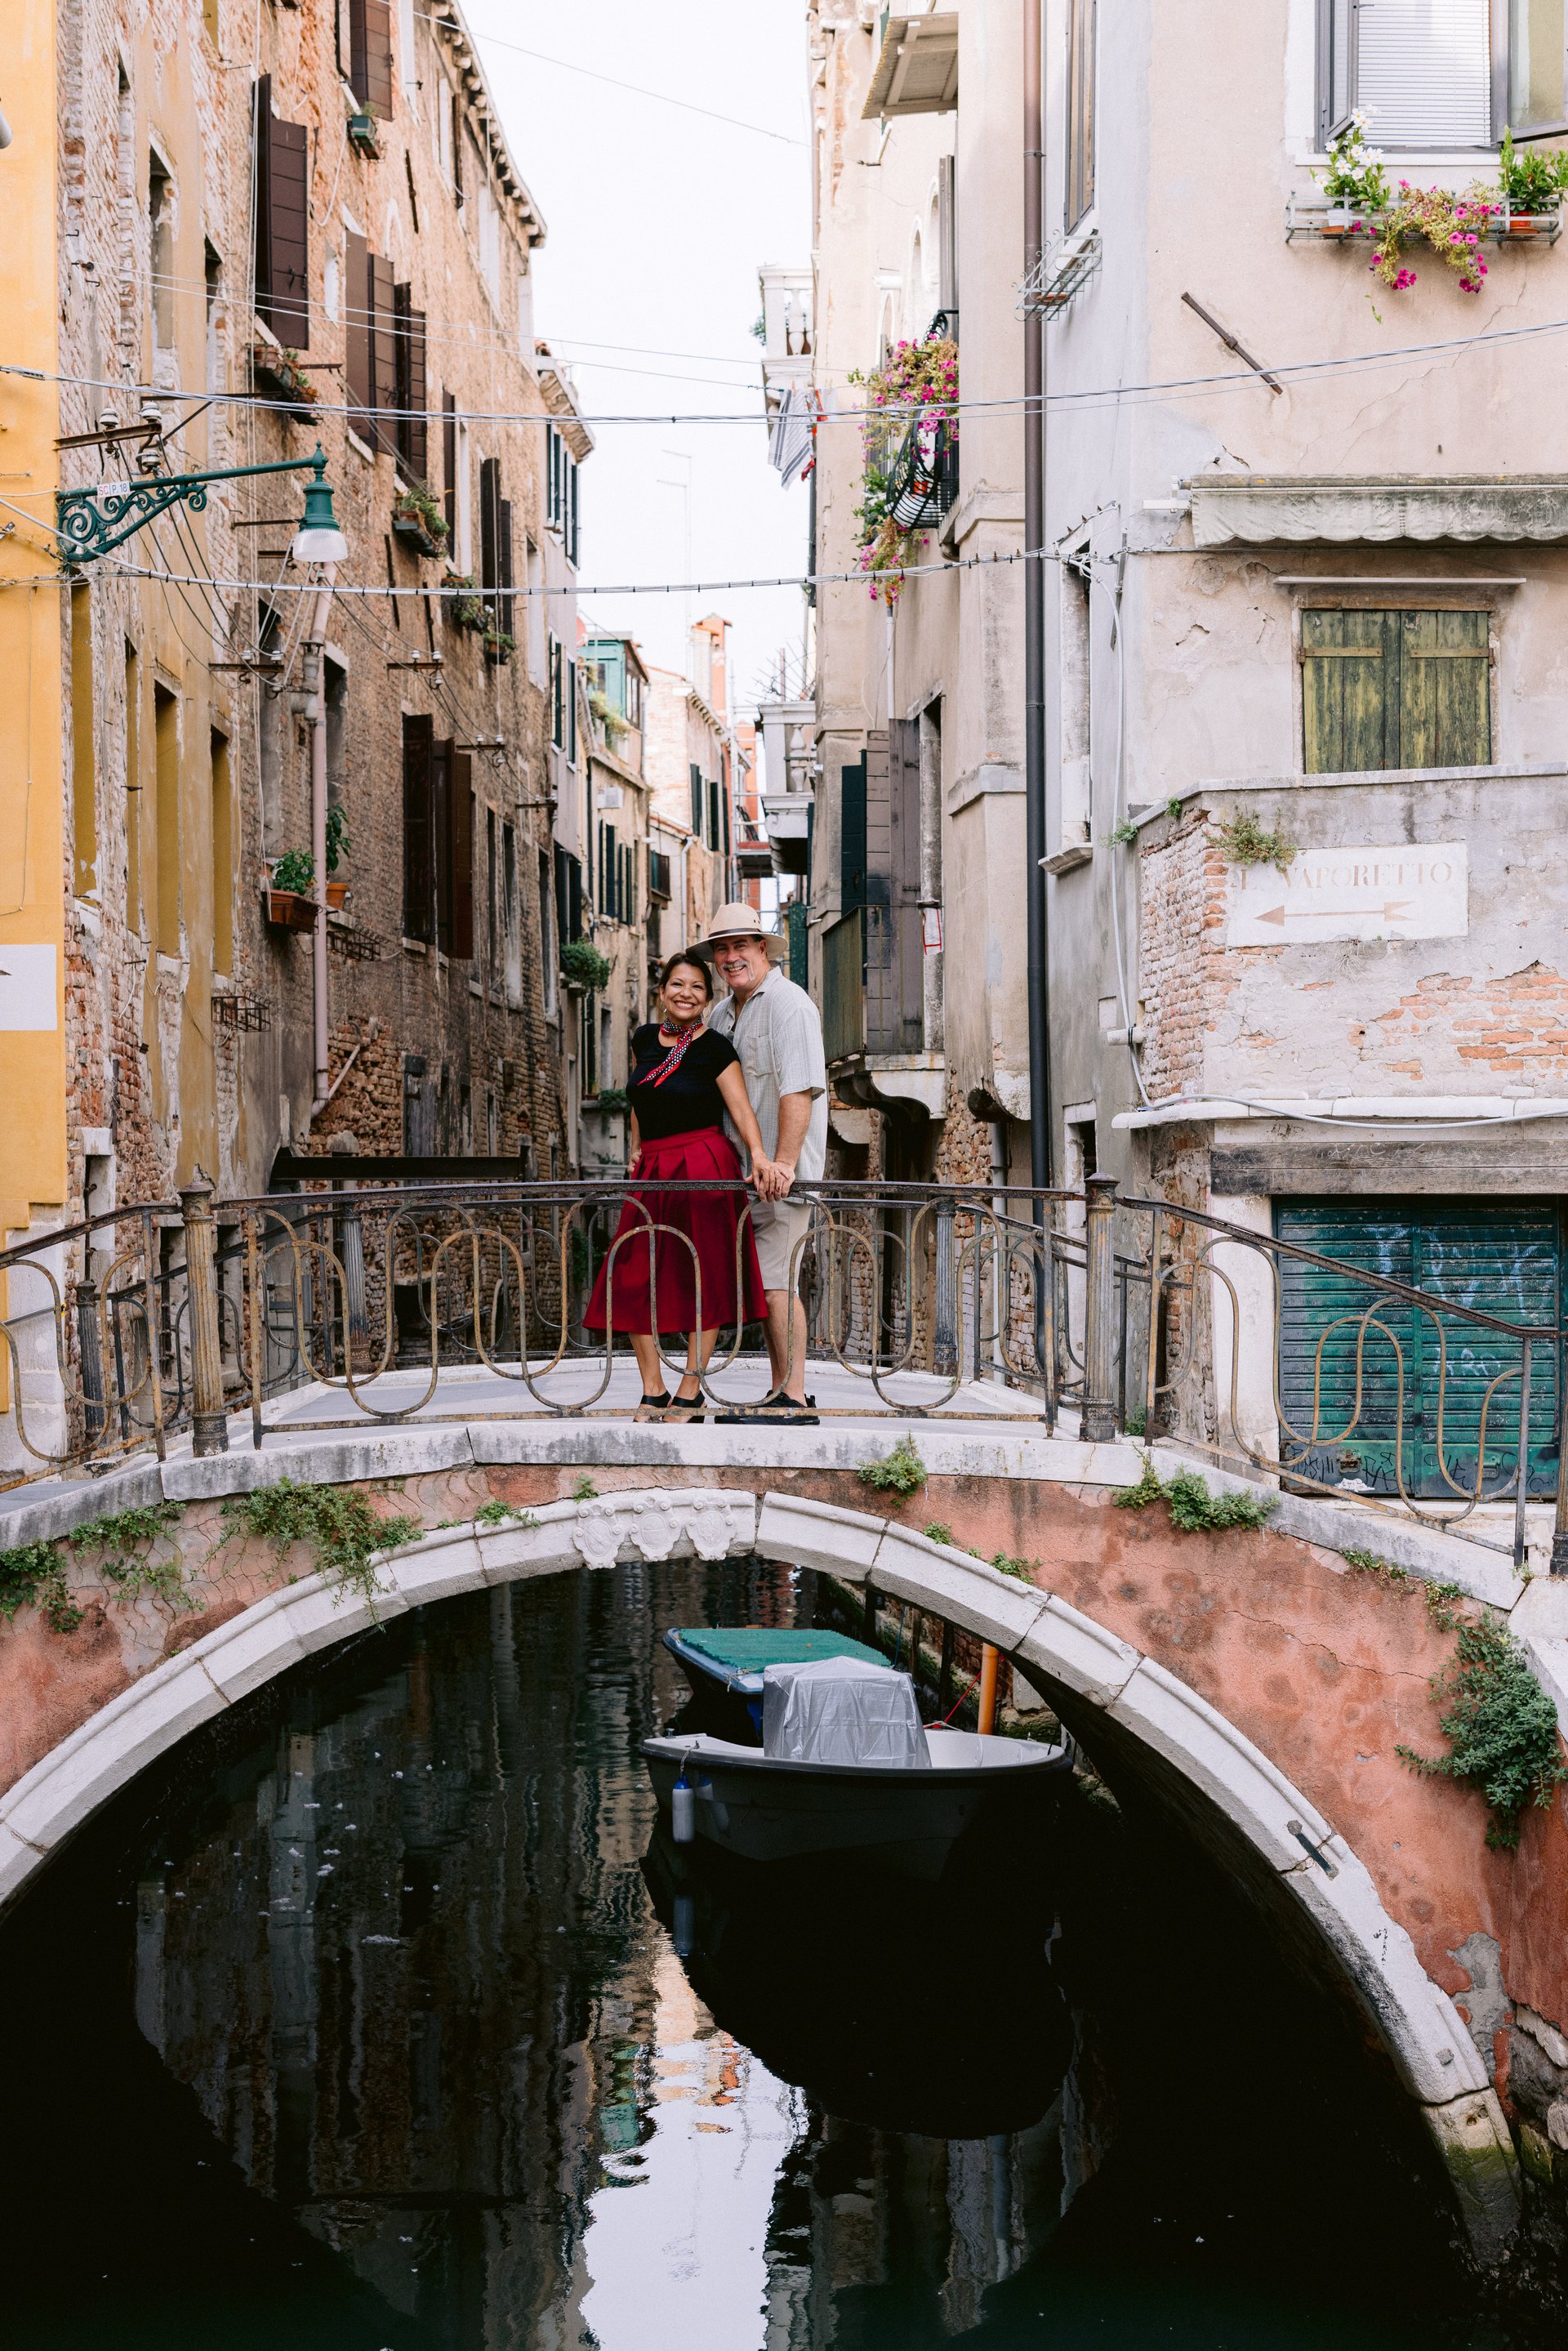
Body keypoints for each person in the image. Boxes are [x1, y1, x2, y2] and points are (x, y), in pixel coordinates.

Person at [582, 949, 774, 1421]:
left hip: (704, 1164)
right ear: (662, 991)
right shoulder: (644, 1038)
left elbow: (741, 1108)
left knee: (703, 1276)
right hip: (653, 1168)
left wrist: (759, 1155)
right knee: (631, 1273)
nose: (686, 994)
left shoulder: (715, 1048)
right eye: (677, 985)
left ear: (708, 998)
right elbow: (641, 1096)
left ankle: (690, 1391)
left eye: (697, 988)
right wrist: (637, 1145)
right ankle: (653, 1389)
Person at [700, 905, 828, 1424]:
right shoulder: (720, 1015)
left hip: (779, 1178)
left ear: (762, 949)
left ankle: (793, 1397)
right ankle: (782, 1391)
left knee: (777, 1285)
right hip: (741, 1177)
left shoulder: (789, 1005)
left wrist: (784, 1164)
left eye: (740, 946)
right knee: (769, 1285)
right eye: (721, 949)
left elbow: (798, 1088)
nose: (731, 957)